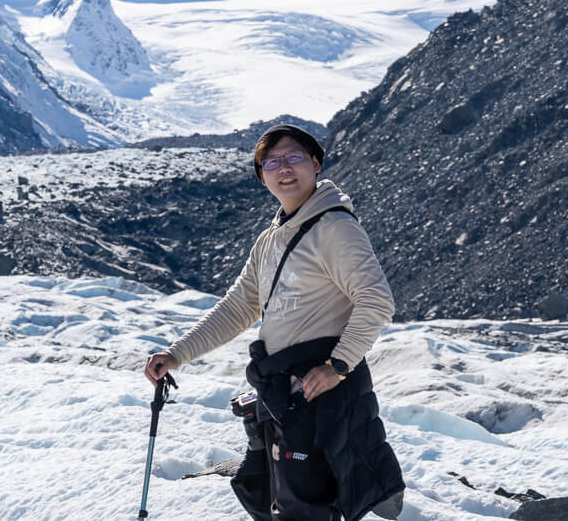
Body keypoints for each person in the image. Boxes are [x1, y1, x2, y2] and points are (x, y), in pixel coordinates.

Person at [144, 124, 404, 521]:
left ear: (316, 163)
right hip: (286, 393)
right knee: (279, 499)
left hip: (319, 390)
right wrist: (178, 354)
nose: (284, 169)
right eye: (271, 162)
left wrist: (337, 365)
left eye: (294, 157)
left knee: (308, 507)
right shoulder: (271, 238)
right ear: (261, 175)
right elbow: (238, 307)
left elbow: (376, 299)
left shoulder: (335, 228)